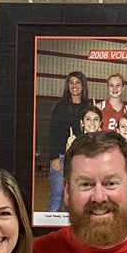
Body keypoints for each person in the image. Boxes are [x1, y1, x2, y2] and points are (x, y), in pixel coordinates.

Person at [45, 71, 90, 213]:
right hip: (61, 158)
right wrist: (54, 157)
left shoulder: (88, 108)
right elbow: (52, 133)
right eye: (71, 83)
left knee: (74, 198)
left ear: (83, 86)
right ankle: (49, 231)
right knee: (57, 196)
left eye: (78, 82)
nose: (74, 86)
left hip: (80, 160)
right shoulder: (60, 107)